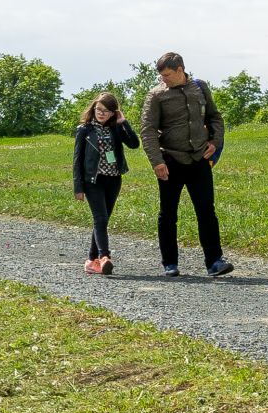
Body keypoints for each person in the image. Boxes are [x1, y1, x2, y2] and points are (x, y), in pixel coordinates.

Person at [140, 52, 232, 278]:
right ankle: (169, 263)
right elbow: (148, 131)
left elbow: (215, 118)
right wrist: (157, 162)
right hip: (170, 161)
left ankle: (215, 262)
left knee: (206, 211)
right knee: (168, 214)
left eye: (168, 75)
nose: (164, 79)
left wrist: (215, 142)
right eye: (161, 75)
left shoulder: (200, 87)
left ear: (180, 70)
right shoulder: (156, 96)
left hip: (199, 160)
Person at [73, 92, 138, 275]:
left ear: (113, 113)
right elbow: (77, 160)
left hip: (113, 179)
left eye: (106, 111)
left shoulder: (116, 128)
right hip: (93, 181)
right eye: (98, 109)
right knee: (100, 218)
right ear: (93, 108)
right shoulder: (84, 130)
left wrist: (123, 122)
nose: (101, 113)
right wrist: (78, 187)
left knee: (103, 220)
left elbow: (134, 144)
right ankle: (104, 257)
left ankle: (91, 261)